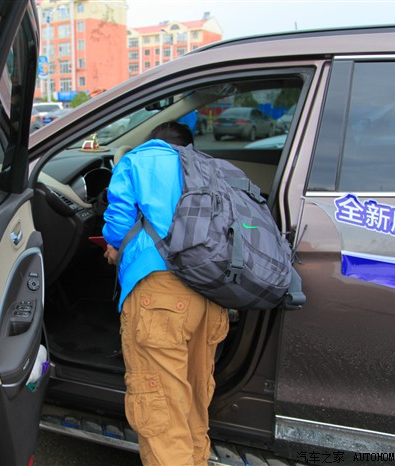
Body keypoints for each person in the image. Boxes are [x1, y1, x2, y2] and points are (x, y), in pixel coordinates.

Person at [102, 121, 229, 465]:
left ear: (152, 141)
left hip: (159, 297)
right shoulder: (208, 167)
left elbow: (118, 224)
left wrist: (115, 247)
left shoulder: (136, 160)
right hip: (209, 295)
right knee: (192, 407)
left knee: (162, 416)